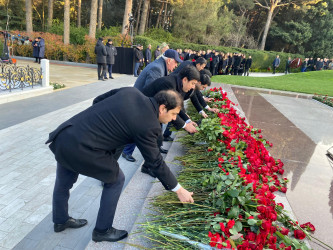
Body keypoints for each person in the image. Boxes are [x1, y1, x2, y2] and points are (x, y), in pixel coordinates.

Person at [46, 88, 194, 242]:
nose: (174, 118)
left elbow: (98, 99)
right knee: (116, 179)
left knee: (64, 182)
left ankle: (60, 220)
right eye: (174, 114)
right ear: (163, 108)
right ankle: (102, 230)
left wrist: (95, 127)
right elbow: (155, 162)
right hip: (84, 147)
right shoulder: (148, 125)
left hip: (66, 136)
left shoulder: (132, 92)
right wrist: (179, 189)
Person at [121, 49, 182, 162]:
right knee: (137, 127)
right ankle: (126, 151)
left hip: (142, 100)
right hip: (139, 101)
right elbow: (151, 89)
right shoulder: (157, 68)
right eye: (176, 62)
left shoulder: (161, 66)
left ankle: (157, 148)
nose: (176, 65)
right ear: (169, 61)